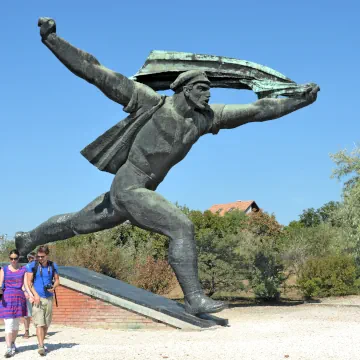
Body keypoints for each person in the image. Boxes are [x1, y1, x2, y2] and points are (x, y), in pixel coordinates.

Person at [16, 17, 320, 316]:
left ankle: (29, 237)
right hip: (129, 186)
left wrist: (298, 101)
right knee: (181, 227)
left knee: (76, 223)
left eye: (209, 89)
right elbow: (96, 72)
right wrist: (52, 40)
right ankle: (194, 299)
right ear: (186, 89)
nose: (209, 93)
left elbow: (257, 110)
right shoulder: (150, 103)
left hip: (136, 191)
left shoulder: (205, 119)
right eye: (203, 88)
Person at [26, 246, 60, 356]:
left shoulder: (53, 266)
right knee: (39, 324)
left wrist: (53, 287)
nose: (40, 258)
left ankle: (42, 341)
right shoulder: (33, 266)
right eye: (38, 256)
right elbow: (29, 282)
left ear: (47, 255)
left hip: (49, 298)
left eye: (42, 256)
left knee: (46, 323)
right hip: (37, 299)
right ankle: (40, 346)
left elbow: (57, 280)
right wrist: (35, 295)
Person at [0, 250, 28, 358]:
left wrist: (30, 294)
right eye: (11, 258)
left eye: (15, 258)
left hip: (19, 298)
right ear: (9, 258)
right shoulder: (4, 269)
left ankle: (12, 343)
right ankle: (8, 349)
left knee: (16, 325)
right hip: (7, 298)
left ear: (18, 258)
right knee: (9, 324)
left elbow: (25, 285)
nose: (13, 260)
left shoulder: (23, 270)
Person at [23, 252, 36, 339]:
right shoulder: (25, 268)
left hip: (38, 293)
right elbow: (23, 281)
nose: (33, 261)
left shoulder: (39, 268)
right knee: (27, 313)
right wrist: (25, 291)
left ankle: (40, 331)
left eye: (34, 259)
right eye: (32, 259)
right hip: (28, 293)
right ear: (29, 259)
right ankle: (26, 331)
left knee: (39, 313)